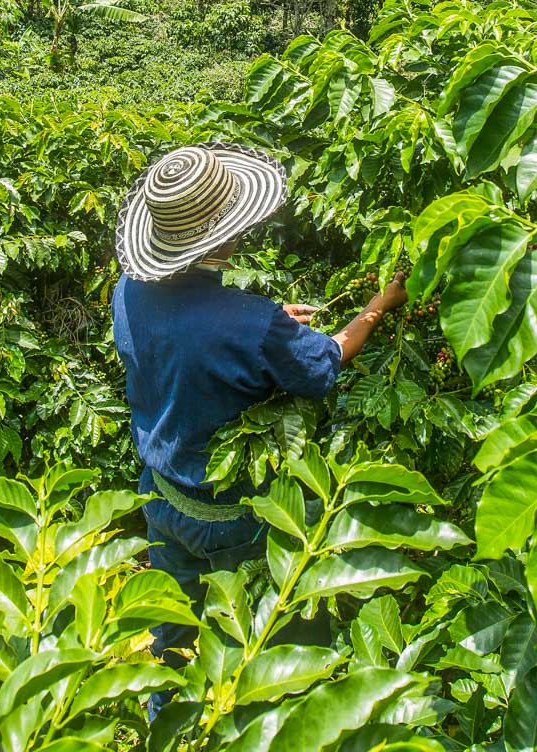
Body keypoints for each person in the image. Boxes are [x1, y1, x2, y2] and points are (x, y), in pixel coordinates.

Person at [111, 141, 407, 691]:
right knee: (273, 643)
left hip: (159, 496)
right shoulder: (251, 323)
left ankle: (168, 721)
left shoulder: (127, 290)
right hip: (232, 518)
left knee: (171, 638)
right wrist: (378, 306)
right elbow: (327, 360)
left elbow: (187, 347)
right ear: (226, 233)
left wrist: (262, 328)